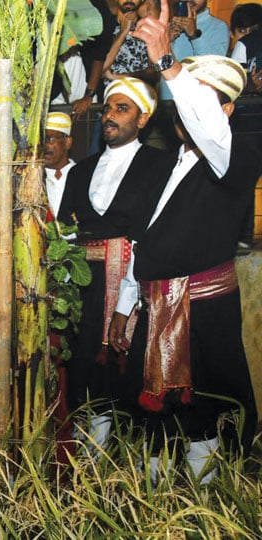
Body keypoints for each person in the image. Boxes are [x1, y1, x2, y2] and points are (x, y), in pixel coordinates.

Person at [116, 2, 260, 481]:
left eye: (201, 97)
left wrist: (169, 63)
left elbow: (211, 129)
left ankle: (208, 505)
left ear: (226, 108)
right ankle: (151, 505)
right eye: (185, 96)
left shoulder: (234, 155)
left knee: (204, 413)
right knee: (154, 416)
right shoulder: (167, 162)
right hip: (158, 306)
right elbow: (146, 241)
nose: (188, 107)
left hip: (200, 311)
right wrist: (126, 306)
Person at [56, 77, 173, 450]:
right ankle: (89, 456)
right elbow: (64, 233)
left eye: (122, 109)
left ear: (143, 119)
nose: (109, 116)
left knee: (132, 370)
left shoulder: (161, 166)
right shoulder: (80, 172)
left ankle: (140, 460)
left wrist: (127, 299)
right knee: (84, 367)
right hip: (82, 286)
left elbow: (154, 233)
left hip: (138, 284)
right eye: (108, 108)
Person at [157, 0, 229, 99]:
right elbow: (157, 67)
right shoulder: (168, 26)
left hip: (198, 100)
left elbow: (213, 67)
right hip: (167, 97)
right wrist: (166, 41)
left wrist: (194, 35)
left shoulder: (218, 27)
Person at [43, 112, 76, 218]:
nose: (45, 146)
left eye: (50, 139)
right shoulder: (31, 179)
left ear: (67, 143)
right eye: (41, 141)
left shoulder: (82, 175)